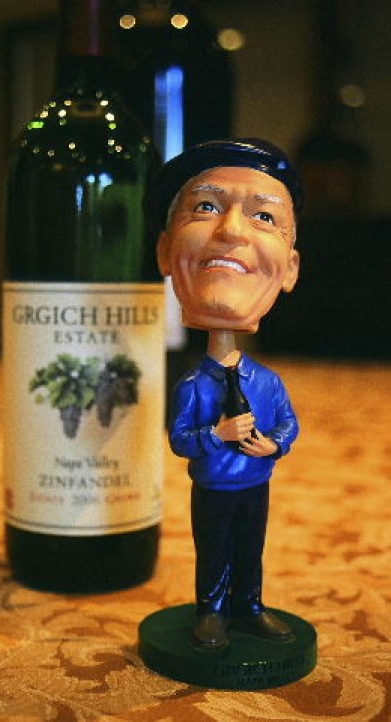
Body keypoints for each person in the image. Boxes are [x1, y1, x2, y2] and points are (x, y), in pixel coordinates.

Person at [147, 138, 302, 649]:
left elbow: (288, 423)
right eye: (206, 208)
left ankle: (249, 606)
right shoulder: (194, 386)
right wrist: (218, 434)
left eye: (264, 217)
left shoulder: (267, 382)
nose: (231, 230)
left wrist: (274, 444)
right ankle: (212, 610)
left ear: (291, 269)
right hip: (213, 488)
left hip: (256, 482)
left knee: (250, 549)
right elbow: (181, 440)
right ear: (166, 252)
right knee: (213, 549)